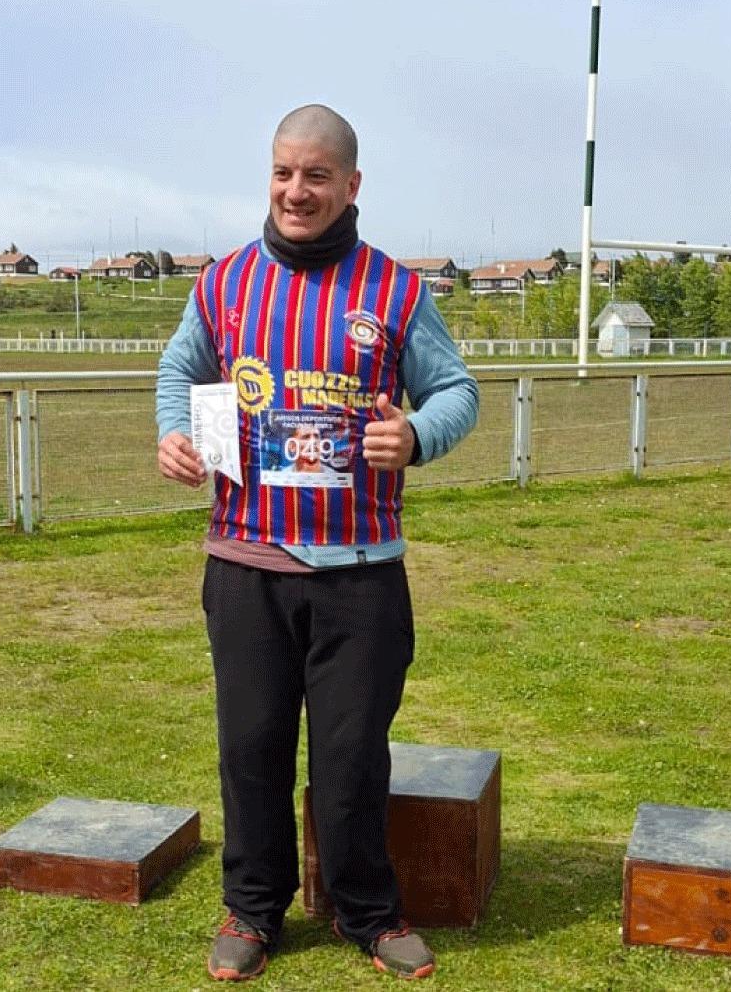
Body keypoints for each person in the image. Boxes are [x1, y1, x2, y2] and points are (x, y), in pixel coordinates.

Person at [156, 104, 478, 982]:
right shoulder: (223, 284)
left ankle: (368, 914)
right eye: (282, 173)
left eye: (316, 176)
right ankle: (251, 912)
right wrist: (174, 433)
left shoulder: (398, 291)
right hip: (246, 564)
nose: (297, 192)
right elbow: (179, 371)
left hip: (361, 574)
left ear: (351, 186)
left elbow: (457, 392)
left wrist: (414, 435)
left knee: (350, 756)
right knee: (250, 749)